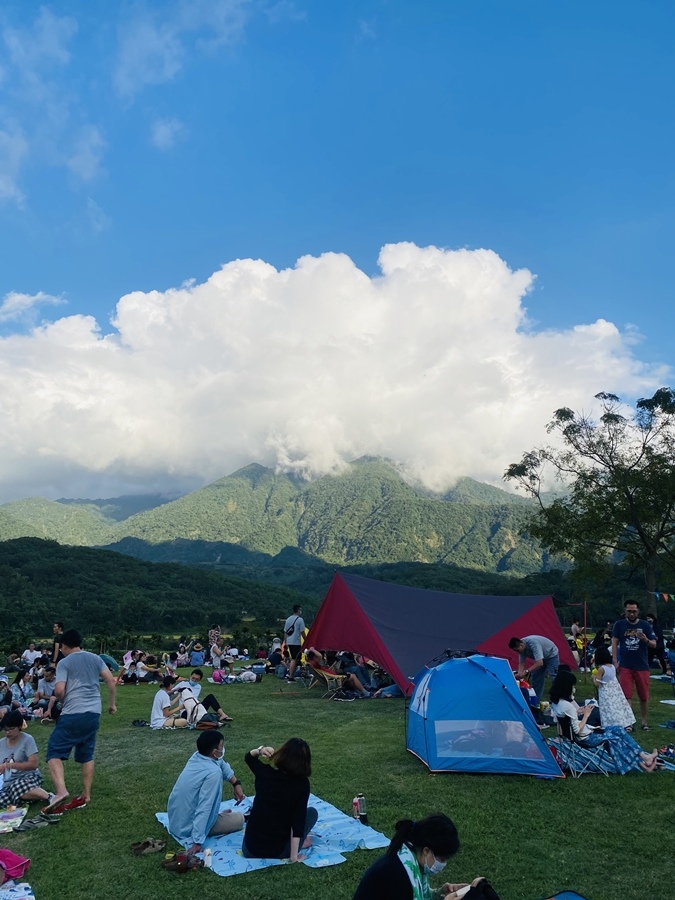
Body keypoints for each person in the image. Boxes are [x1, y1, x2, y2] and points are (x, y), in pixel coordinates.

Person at [43, 628, 117, 814]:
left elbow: (59, 690)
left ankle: (61, 791)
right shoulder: (95, 658)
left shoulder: (64, 662)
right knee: (86, 753)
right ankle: (86, 795)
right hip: (94, 713)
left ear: (64, 646)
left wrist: (60, 701)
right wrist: (112, 705)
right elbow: (110, 680)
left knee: (54, 751)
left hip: (74, 712)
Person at [352, 813, 486, 900]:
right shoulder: (399, 874)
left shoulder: (409, 858)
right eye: (442, 859)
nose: (443, 864)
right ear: (427, 851)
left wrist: (439, 894)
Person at [550, 670, 659, 773]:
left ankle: (644, 759)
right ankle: (641, 763)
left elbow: (567, 719)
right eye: (573, 686)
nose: (574, 689)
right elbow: (577, 730)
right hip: (585, 738)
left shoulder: (557, 703)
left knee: (618, 730)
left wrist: (578, 711)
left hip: (580, 735)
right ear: (566, 687)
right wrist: (586, 715)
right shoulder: (568, 706)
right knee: (615, 738)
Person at [167, 730, 245, 855]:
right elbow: (205, 807)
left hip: (176, 821)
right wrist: (197, 842)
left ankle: (217, 817)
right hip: (188, 828)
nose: (223, 749)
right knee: (239, 819)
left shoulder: (197, 756)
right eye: (221, 746)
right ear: (215, 752)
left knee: (216, 814)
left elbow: (221, 763)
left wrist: (236, 784)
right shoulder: (213, 773)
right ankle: (219, 819)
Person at [242, 739, 317, 861]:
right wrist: (294, 857)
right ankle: (301, 843)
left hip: (250, 849)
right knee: (312, 813)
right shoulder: (302, 785)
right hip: (279, 851)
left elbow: (249, 758)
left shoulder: (265, 773)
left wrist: (260, 751)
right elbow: (298, 822)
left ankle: (300, 842)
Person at [611, 600, 656, 730]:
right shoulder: (619, 625)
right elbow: (614, 643)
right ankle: (629, 723)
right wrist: (615, 661)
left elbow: (654, 644)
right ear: (625, 611)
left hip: (642, 666)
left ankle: (644, 722)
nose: (631, 614)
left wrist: (645, 639)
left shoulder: (645, 625)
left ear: (638, 612)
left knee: (643, 696)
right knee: (626, 695)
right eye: (629, 611)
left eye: (634, 611)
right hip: (625, 665)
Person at [0, 711, 53, 807]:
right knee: (3, 798)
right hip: (9, 782)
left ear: (19, 727)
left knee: (17, 788)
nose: (8, 732)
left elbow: (33, 764)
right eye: (5, 729)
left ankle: (50, 797)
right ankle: (25, 797)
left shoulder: (27, 739)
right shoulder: (1, 743)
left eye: (11, 729)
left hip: (28, 777)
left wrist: (10, 765)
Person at [592, 646, 635, 730]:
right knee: (617, 707)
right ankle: (624, 723)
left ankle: (610, 724)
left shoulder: (601, 669)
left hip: (605, 693)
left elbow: (597, 683)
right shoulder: (612, 667)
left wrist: (594, 677)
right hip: (614, 691)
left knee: (608, 709)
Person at [508, 635, 559, 703]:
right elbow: (521, 663)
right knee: (536, 680)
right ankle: (535, 702)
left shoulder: (534, 644)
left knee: (555, 678)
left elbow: (540, 663)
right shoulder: (520, 649)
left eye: (517, 650)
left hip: (551, 655)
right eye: (515, 651)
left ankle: (559, 699)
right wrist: (519, 674)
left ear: (522, 645)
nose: (518, 652)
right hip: (539, 658)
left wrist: (526, 671)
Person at [305, 649, 371, 697]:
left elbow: (315, 656)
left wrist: (308, 652)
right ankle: (365, 692)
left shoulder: (312, 664)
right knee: (353, 676)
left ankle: (359, 692)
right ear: (314, 658)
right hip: (335, 678)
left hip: (333, 677)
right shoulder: (315, 664)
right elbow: (320, 656)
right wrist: (312, 649)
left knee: (350, 680)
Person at [284, 605, 305, 681]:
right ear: (298, 610)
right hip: (296, 642)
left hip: (289, 641)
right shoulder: (300, 620)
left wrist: (285, 642)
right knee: (294, 659)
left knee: (294, 658)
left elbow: (285, 632)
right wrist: (306, 640)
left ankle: (291, 674)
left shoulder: (288, 619)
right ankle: (291, 676)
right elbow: (302, 631)